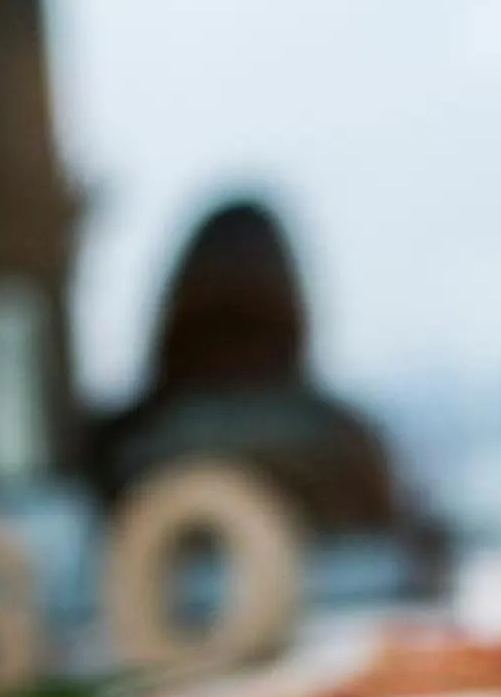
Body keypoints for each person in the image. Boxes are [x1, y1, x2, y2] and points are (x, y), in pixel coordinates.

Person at [86, 198, 450, 586]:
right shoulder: (348, 443)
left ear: (174, 308)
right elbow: (419, 564)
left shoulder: (115, 445)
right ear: (295, 306)